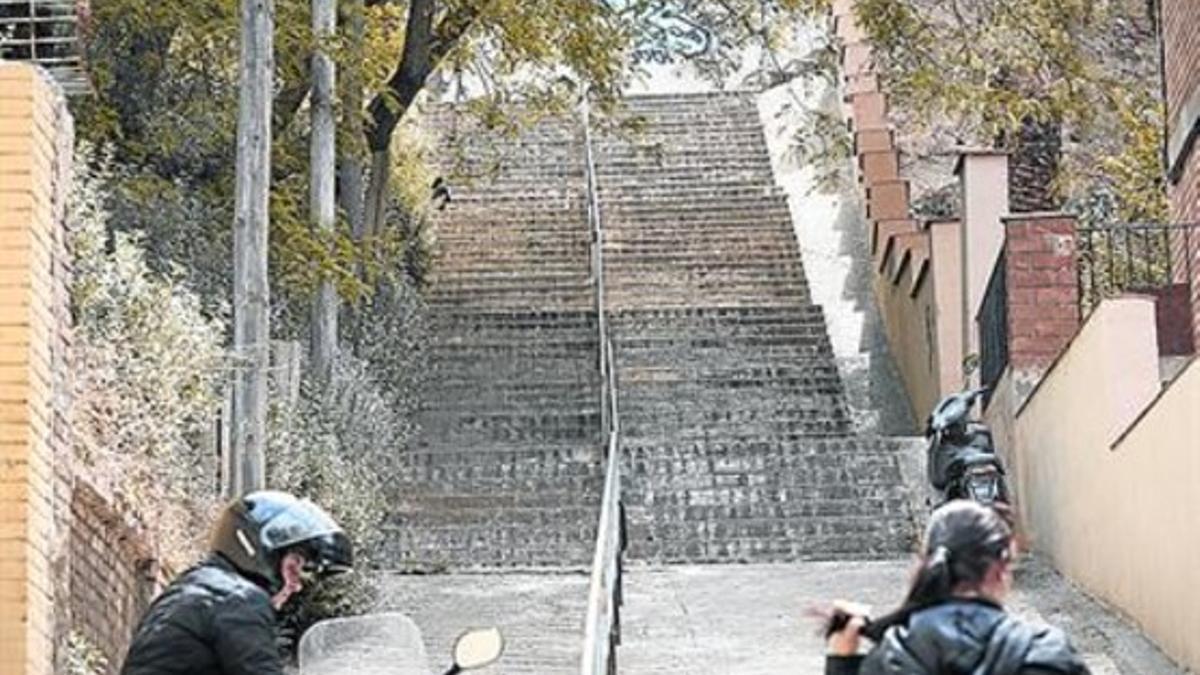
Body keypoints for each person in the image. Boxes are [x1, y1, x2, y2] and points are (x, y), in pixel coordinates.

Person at [824, 501, 1089, 674]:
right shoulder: (1046, 654)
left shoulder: (889, 659)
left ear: (926, 564)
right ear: (1001, 567)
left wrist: (842, 659)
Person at [120, 491, 354, 675]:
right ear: (260, 551)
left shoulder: (193, 586)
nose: (297, 585)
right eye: (294, 567)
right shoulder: (237, 599)